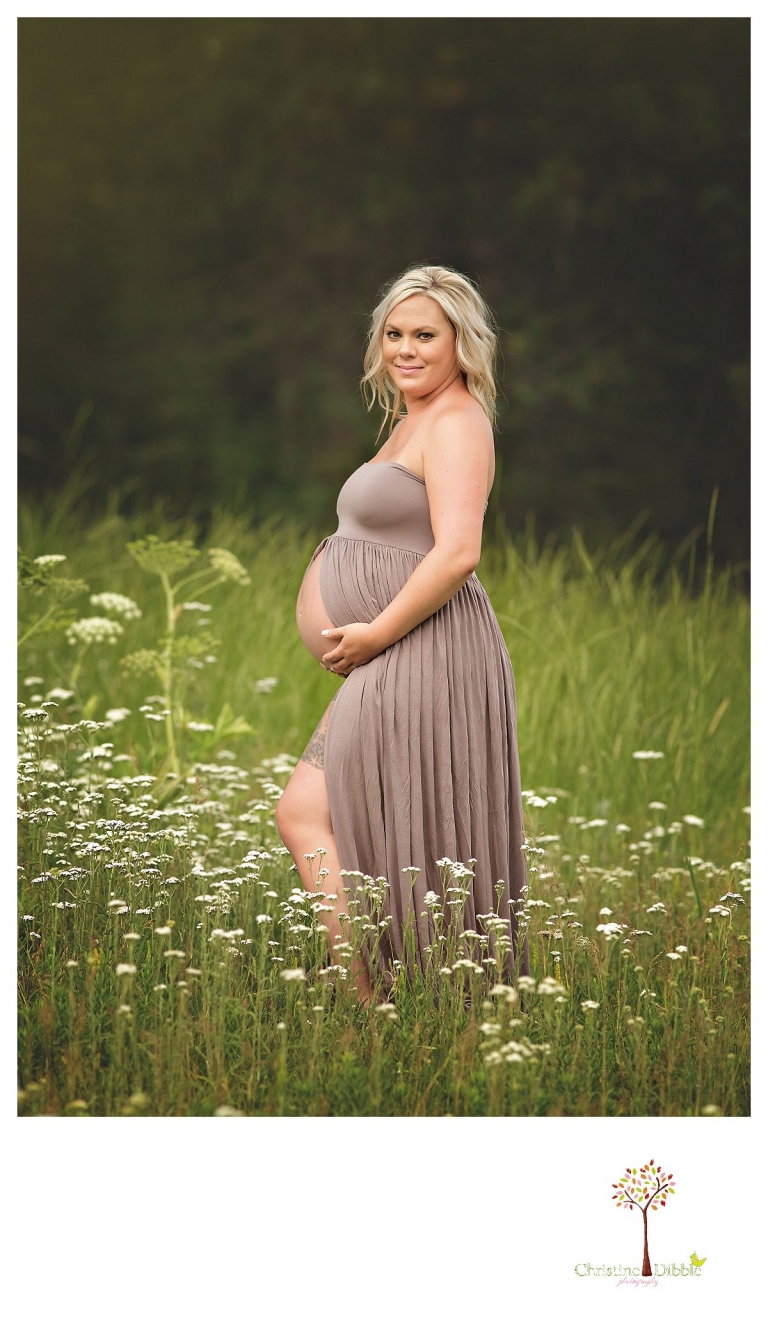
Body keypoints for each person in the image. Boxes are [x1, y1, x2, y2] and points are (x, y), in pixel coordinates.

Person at [280, 264, 528, 1005]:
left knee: (304, 812)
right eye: (394, 334)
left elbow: (458, 551)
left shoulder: (458, 421)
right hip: (390, 650)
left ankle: (371, 1002)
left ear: (462, 342)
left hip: (417, 646)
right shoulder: (413, 418)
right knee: (367, 814)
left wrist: (373, 634)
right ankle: (408, 993)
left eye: (426, 335)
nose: (406, 350)